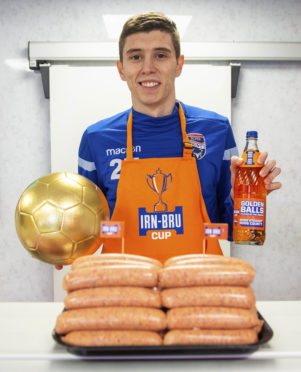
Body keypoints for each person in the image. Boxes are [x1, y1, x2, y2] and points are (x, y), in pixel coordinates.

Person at [77, 12, 281, 263]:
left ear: (179, 64)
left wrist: (245, 196)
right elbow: (88, 230)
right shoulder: (96, 138)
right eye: (136, 57)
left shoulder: (216, 129)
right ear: (121, 68)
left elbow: (225, 226)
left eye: (160, 55)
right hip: (125, 285)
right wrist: (62, 243)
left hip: (198, 284)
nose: (148, 68)